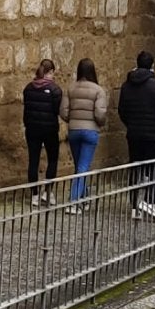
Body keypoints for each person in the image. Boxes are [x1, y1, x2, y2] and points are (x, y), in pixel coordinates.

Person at [117, 50, 155, 221]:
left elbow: (122, 110)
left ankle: (134, 206)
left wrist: (131, 125)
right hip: (154, 135)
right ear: (152, 66)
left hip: (134, 134)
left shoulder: (126, 85)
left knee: (135, 168)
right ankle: (150, 202)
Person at [60, 58, 108, 210]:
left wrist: (72, 120)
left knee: (79, 165)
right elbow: (100, 114)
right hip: (90, 131)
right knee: (83, 166)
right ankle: (73, 202)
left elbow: (64, 111)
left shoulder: (71, 89)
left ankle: (83, 197)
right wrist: (99, 123)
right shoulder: (98, 90)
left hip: (74, 130)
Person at [22, 59, 63, 204]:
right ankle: (48, 192)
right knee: (52, 159)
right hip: (50, 129)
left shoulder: (28, 88)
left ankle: (34, 195)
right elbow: (58, 110)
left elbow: (26, 110)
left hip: (32, 129)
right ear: (50, 72)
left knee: (33, 160)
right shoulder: (55, 90)